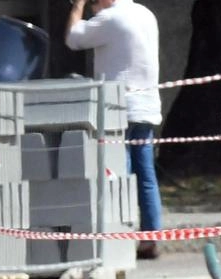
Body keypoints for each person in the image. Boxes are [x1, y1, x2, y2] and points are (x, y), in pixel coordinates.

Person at [66, 0, 163, 260]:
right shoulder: (145, 13)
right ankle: (151, 237)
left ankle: (123, 235)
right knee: (146, 174)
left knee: (120, 174)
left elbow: (74, 38)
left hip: (119, 108)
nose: (93, 10)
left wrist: (77, 6)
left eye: (94, 4)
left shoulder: (111, 18)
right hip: (147, 107)